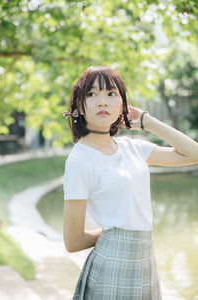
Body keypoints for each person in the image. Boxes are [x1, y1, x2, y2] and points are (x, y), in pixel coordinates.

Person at [62, 66, 198, 300]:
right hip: (111, 265)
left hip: (145, 260)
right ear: (78, 107)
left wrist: (148, 121)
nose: (102, 102)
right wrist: (115, 232)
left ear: (123, 106)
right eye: (92, 94)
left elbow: (193, 154)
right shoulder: (80, 159)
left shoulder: (133, 148)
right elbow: (73, 241)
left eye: (111, 93)